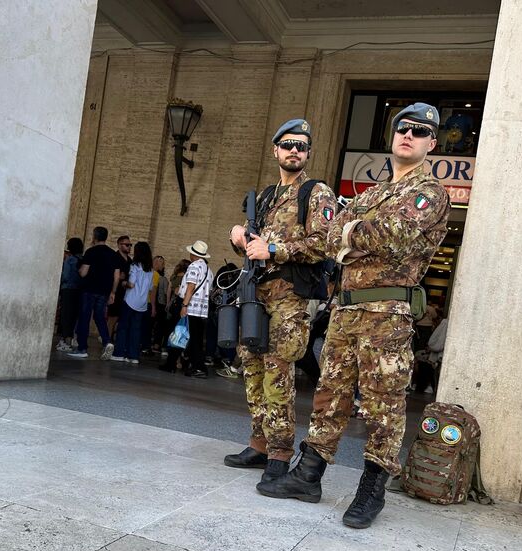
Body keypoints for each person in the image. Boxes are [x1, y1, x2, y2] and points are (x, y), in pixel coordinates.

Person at [258, 103, 451, 529]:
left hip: (387, 312)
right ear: (393, 135)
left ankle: (372, 488)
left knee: (383, 404)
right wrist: (352, 234)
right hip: (346, 309)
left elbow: (392, 235)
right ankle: (308, 476)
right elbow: (328, 237)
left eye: (420, 132)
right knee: (330, 395)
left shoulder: (430, 193)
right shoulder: (373, 192)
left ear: (431, 144)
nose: (409, 135)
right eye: (403, 128)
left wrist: (350, 233)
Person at [222, 118, 336, 484]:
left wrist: (273, 249)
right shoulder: (267, 197)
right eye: (287, 145)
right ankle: (258, 443)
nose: (293, 151)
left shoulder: (316, 194)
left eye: (300, 146)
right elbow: (249, 245)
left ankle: (280, 451)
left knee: (278, 375)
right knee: (252, 371)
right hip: (254, 295)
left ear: (307, 154)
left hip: (289, 299)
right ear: (276, 150)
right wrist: (238, 236)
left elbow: (325, 244)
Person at [160, 241, 212, 378]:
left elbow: (191, 287)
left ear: (193, 254)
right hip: (200, 309)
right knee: (193, 338)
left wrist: (184, 305)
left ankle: (198, 367)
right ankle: (173, 363)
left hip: (189, 307)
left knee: (179, 334)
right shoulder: (208, 270)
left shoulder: (194, 267)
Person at [68, 226, 120, 360]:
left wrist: (78, 269)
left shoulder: (91, 252)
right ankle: (107, 341)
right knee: (99, 317)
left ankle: (82, 348)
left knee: (85, 317)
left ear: (95, 236)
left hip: (89, 289)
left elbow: (83, 272)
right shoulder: (113, 254)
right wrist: (113, 292)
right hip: (104, 291)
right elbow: (117, 276)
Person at [112, 241, 154, 364]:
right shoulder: (150, 270)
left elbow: (131, 284)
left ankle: (119, 353)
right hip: (142, 303)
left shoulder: (135, 266)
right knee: (136, 330)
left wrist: (123, 282)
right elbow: (151, 288)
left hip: (130, 300)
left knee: (123, 327)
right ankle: (133, 356)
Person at [56, 237, 84, 352]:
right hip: (79, 291)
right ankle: (71, 339)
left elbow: (65, 276)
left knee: (65, 315)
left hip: (68, 289)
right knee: (74, 316)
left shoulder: (70, 260)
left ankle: (63, 341)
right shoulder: (82, 259)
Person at [106, 235, 132, 340]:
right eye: (127, 245)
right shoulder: (114, 257)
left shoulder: (130, 260)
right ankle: (106, 339)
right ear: (119, 245)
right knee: (113, 317)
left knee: (121, 317)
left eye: (130, 245)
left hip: (126, 294)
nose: (129, 247)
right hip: (115, 292)